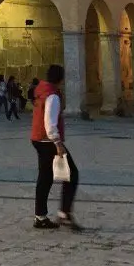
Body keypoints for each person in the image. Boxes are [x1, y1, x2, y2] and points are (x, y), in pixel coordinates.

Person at [31, 64, 82, 231]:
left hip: (38, 138)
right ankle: (64, 213)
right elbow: (50, 121)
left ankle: (41, 217)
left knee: (45, 177)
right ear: (61, 79)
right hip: (47, 140)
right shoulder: (52, 95)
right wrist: (58, 143)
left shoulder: (42, 90)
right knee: (72, 174)